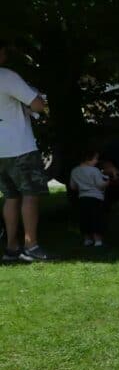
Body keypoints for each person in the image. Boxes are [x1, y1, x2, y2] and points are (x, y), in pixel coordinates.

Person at [0, 39, 52, 262]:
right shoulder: (7, 76)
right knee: (29, 195)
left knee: (10, 197)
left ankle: (12, 247)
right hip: (20, 146)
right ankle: (31, 245)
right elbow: (37, 104)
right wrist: (39, 102)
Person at [69, 146, 109, 247]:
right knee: (96, 218)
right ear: (88, 158)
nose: (97, 161)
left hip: (82, 198)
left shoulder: (74, 171)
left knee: (85, 218)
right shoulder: (94, 170)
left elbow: (73, 186)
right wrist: (107, 182)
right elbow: (100, 185)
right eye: (95, 158)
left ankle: (87, 239)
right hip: (95, 198)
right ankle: (98, 240)